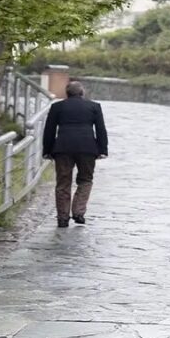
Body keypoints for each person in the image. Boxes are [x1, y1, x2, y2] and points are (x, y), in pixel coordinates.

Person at [43, 81, 108, 228]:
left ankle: (62, 218)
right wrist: (102, 149)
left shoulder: (57, 107)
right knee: (86, 180)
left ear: (67, 93)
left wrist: (47, 150)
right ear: (82, 92)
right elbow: (101, 130)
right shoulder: (94, 107)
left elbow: (49, 130)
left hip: (63, 148)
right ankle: (78, 212)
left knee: (63, 183)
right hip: (87, 148)